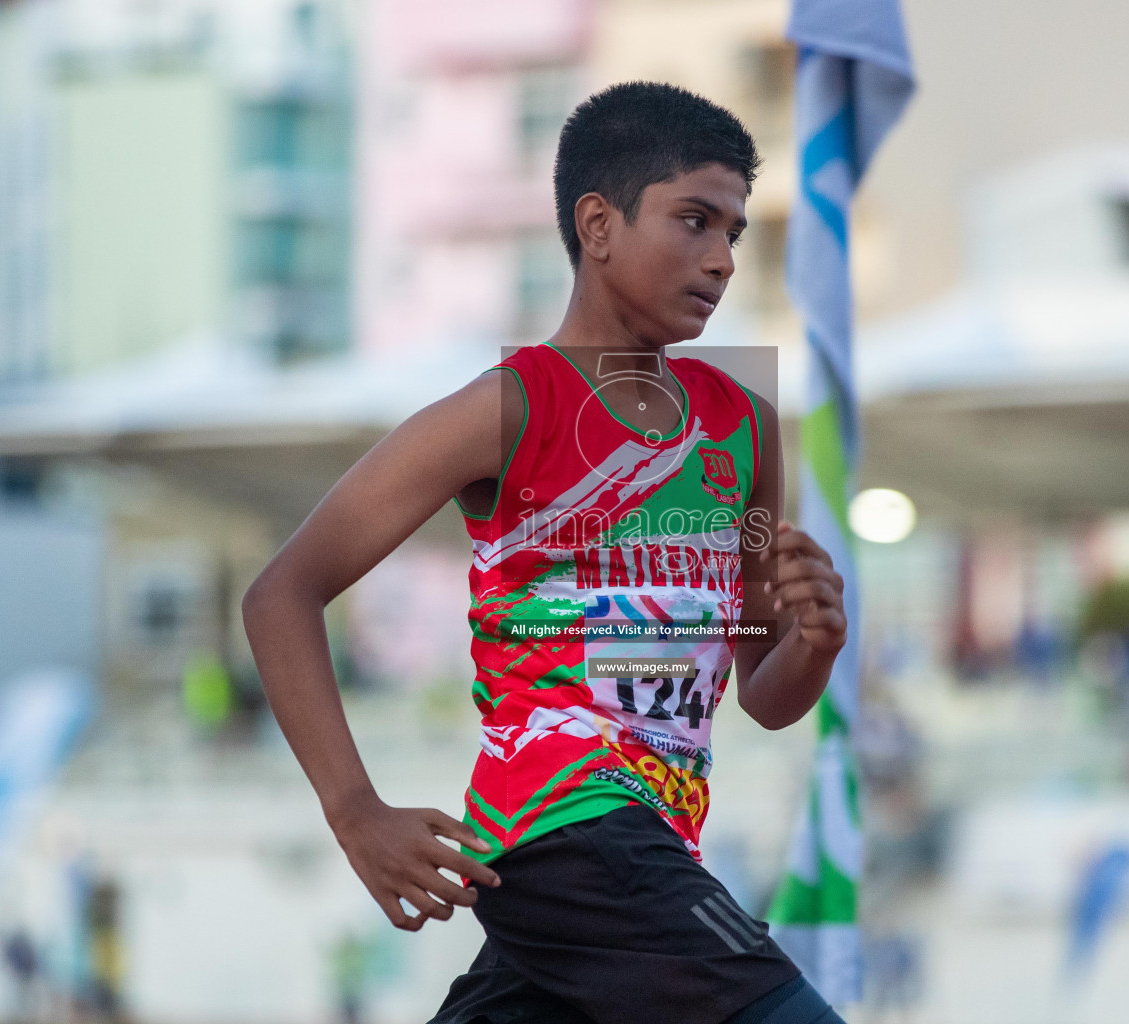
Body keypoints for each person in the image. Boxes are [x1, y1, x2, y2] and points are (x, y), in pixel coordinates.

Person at [242, 81, 850, 1024]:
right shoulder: (507, 409)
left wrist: (813, 643)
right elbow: (281, 594)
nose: (723, 259)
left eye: (734, 231)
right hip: (563, 823)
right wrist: (354, 811)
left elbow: (763, 694)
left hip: (642, 843)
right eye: (694, 220)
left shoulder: (750, 430)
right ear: (598, 225)